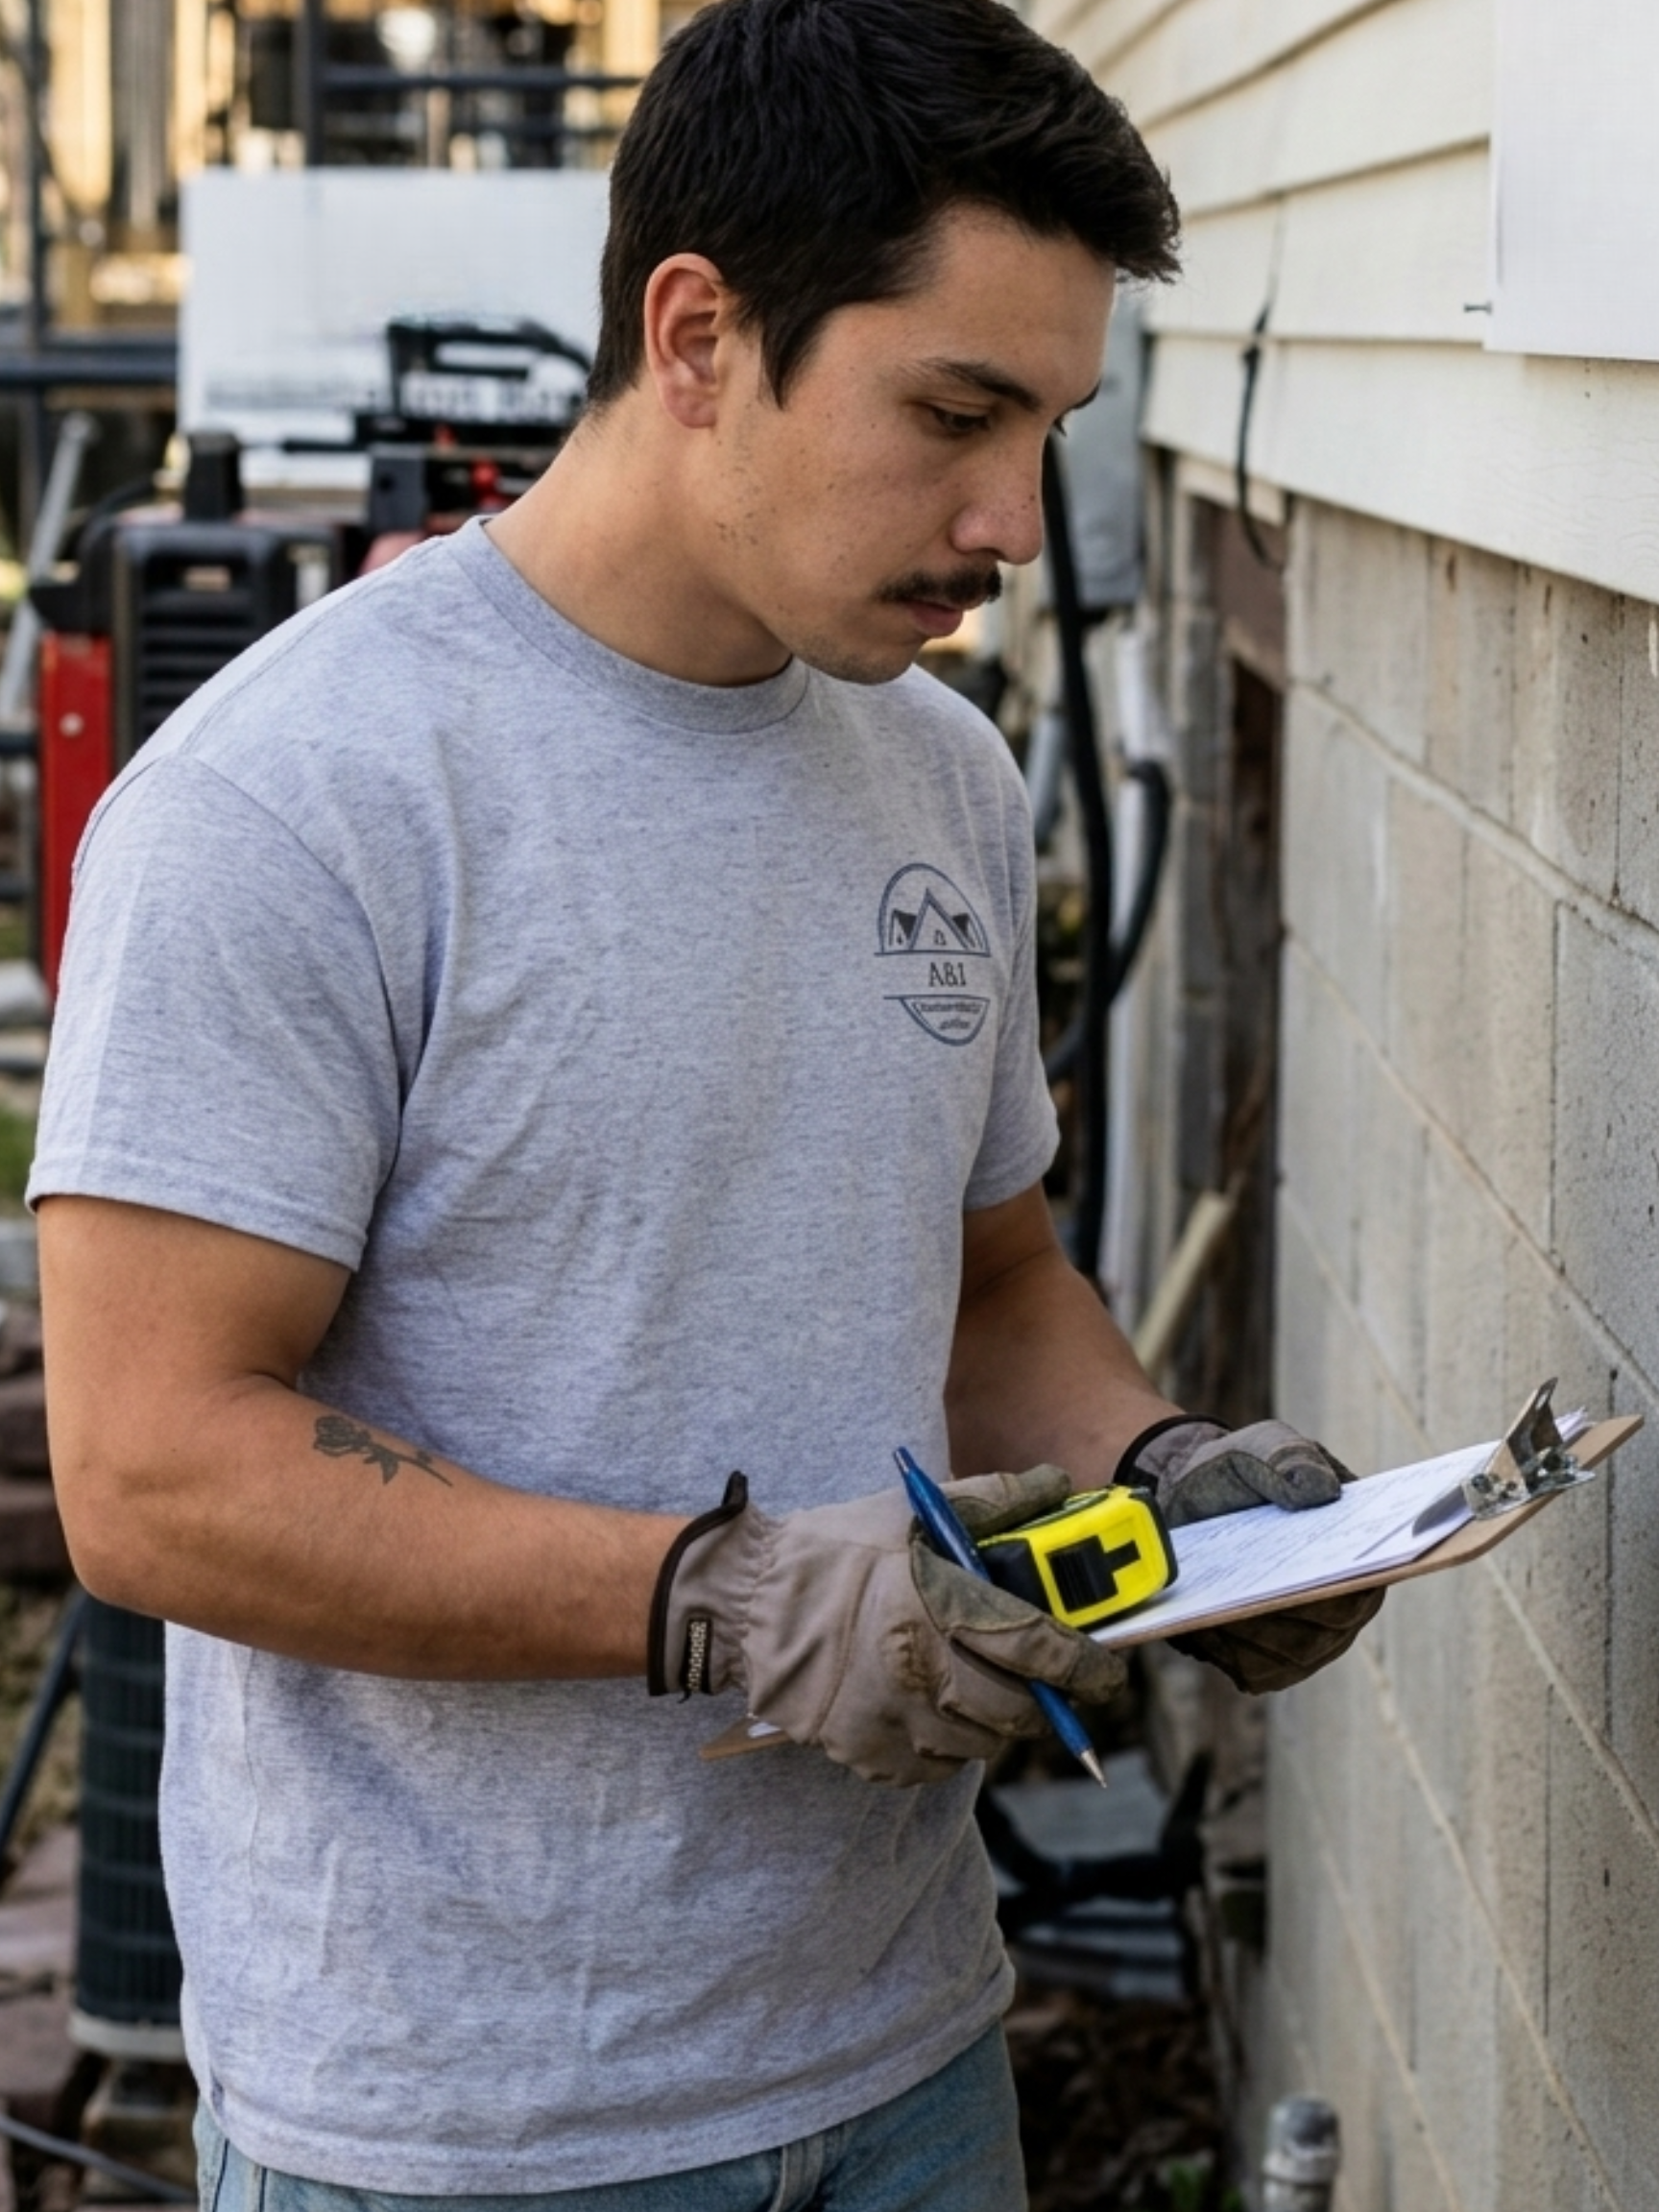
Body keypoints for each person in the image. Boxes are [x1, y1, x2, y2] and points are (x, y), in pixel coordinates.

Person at [32, 3, 1380, 2206]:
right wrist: (719, 1597)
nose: (1011, 522)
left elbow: (988, 1275)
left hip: (911, 2047)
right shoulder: (302, 798)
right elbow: (152, 1472)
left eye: (1049, 428)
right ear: (695, 333)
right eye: (956, 411)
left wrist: (1185, 1483)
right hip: (461, 2125)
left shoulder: (938, 766)